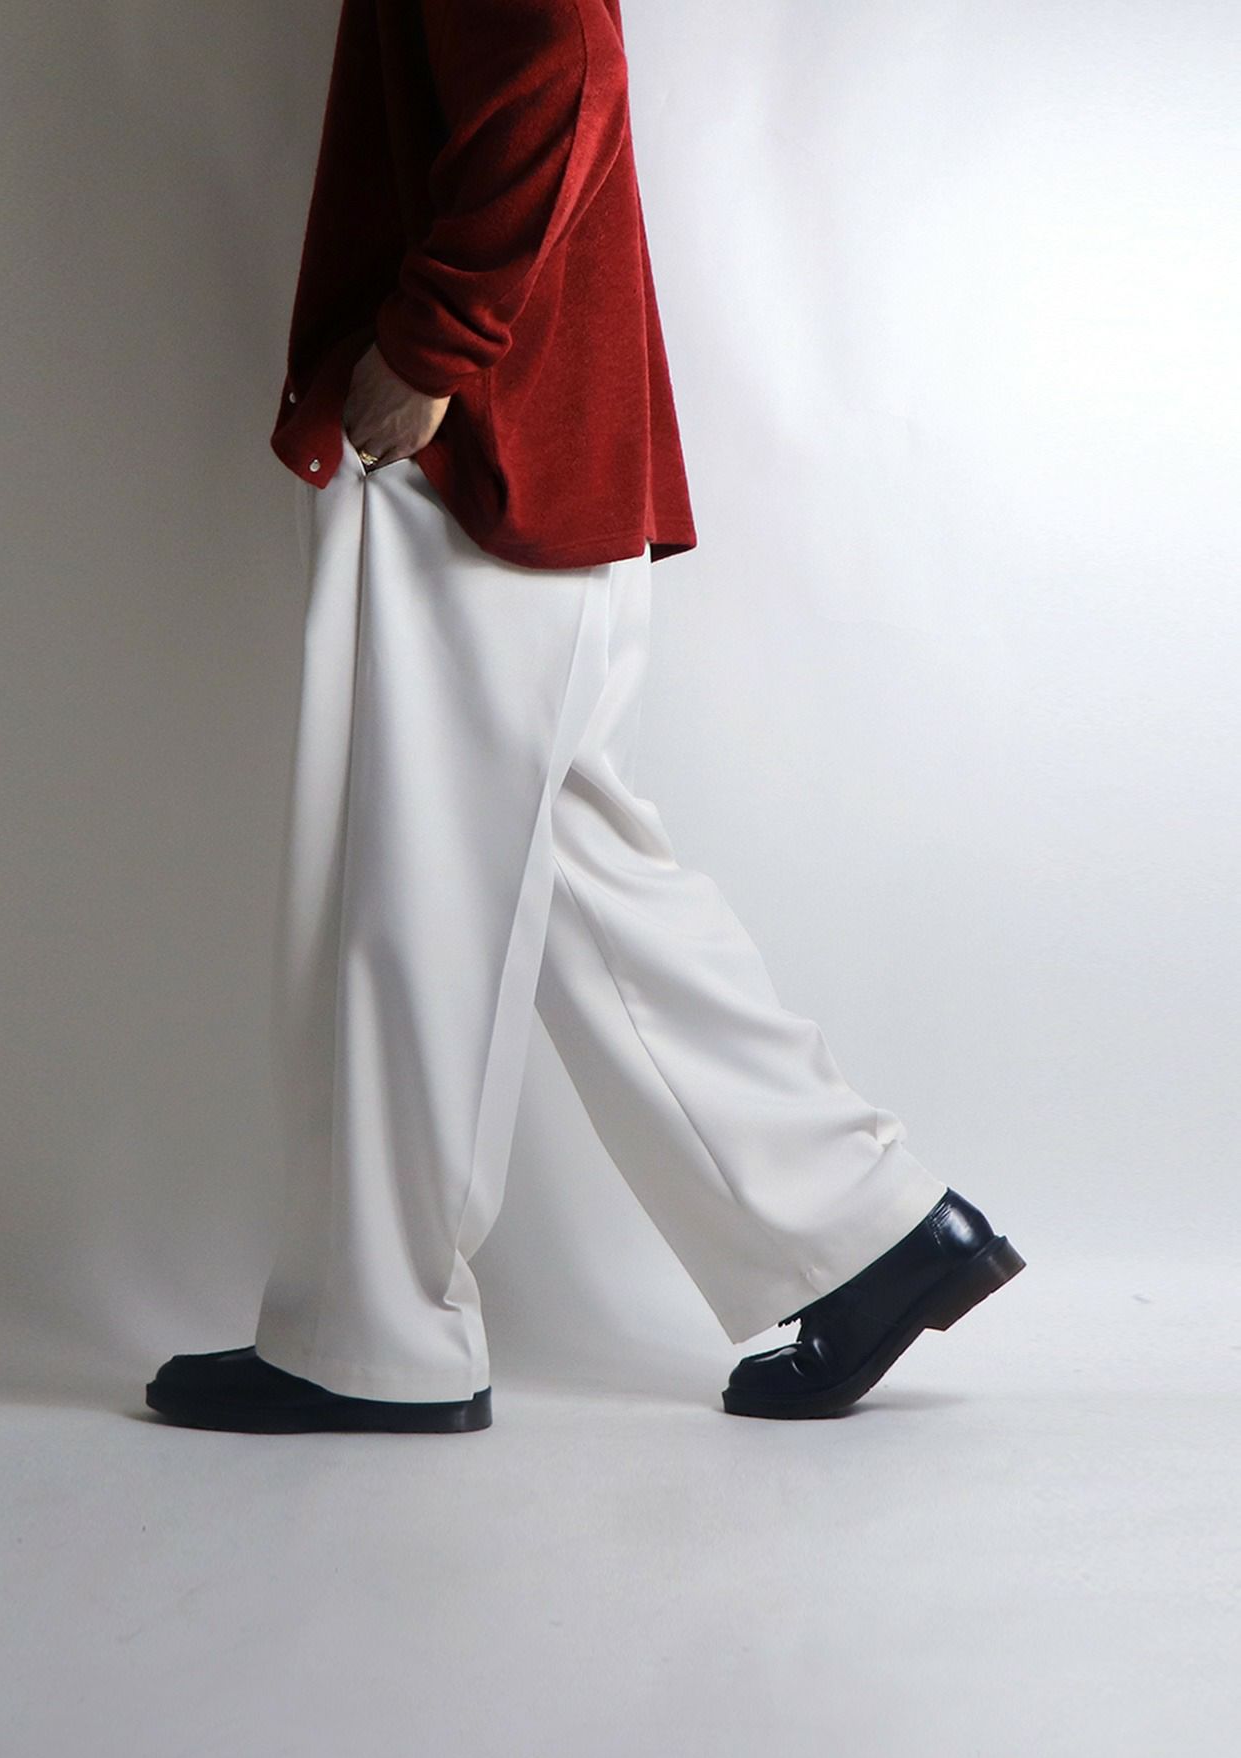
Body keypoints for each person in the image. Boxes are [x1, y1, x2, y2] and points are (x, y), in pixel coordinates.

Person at [144, 0, 1024, 1435]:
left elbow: (561, 66)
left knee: (421, 891)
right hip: (534, 441)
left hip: (485, 453)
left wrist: (432, 345)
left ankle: (377, 1343)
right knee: (574, 879)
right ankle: (870, 1235)